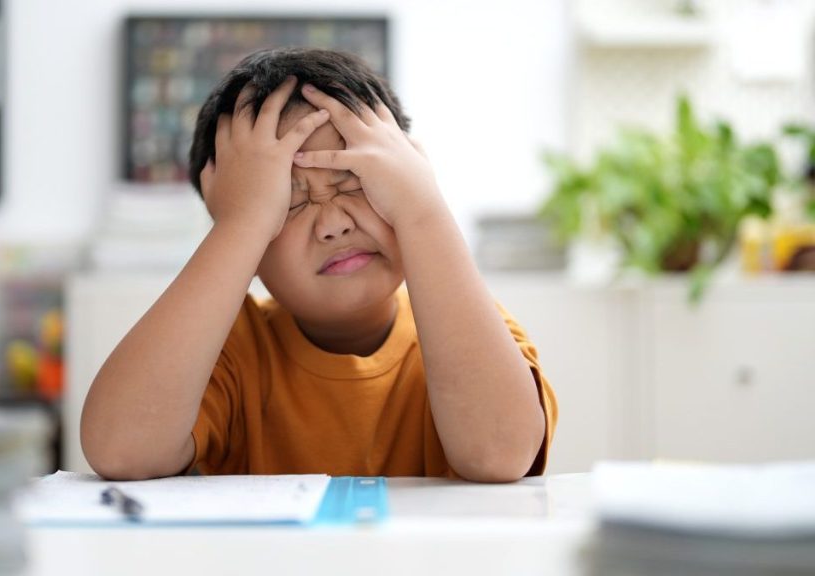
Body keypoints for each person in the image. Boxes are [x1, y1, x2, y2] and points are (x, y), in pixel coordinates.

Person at [81, 48, 557, 482]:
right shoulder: (225, 349)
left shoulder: (471, 329)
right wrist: (240, 223)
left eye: (354, 182)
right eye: (285, 203)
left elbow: (498, 455)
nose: (332, 224)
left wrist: (423, 210)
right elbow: (122, 452)